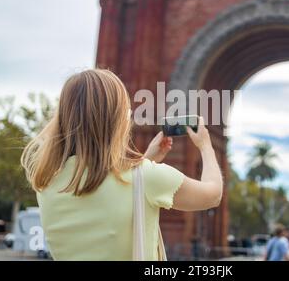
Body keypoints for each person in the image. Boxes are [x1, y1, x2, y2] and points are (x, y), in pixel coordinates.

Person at [20, 69, 223, 260]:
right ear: (116, 119)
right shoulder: (147, 177)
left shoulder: (46, 183)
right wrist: (206, 145)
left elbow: (109, 195)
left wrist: (145, 161)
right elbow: (212, 195)